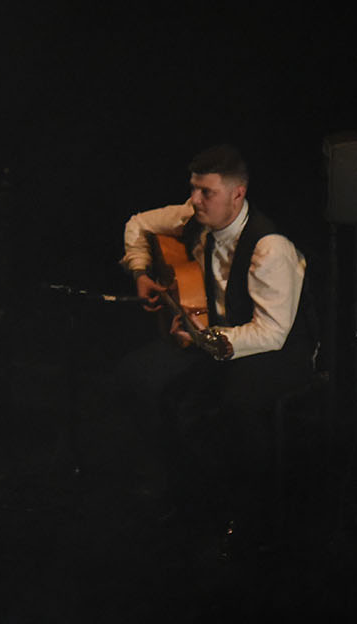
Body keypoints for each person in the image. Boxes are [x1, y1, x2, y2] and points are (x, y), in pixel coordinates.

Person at [117, 144, 314, 546]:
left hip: (274, 352)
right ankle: (171, 490)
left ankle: (249, 517)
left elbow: (271, 332)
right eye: (193, 189)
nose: (194, 200)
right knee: (136, 376)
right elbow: (137, 225)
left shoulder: (269, 247)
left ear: (237, 194)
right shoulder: (195, 218)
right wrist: (140, 272)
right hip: (216, 336)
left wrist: (205, 339)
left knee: (232, 405)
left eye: (206, 192)